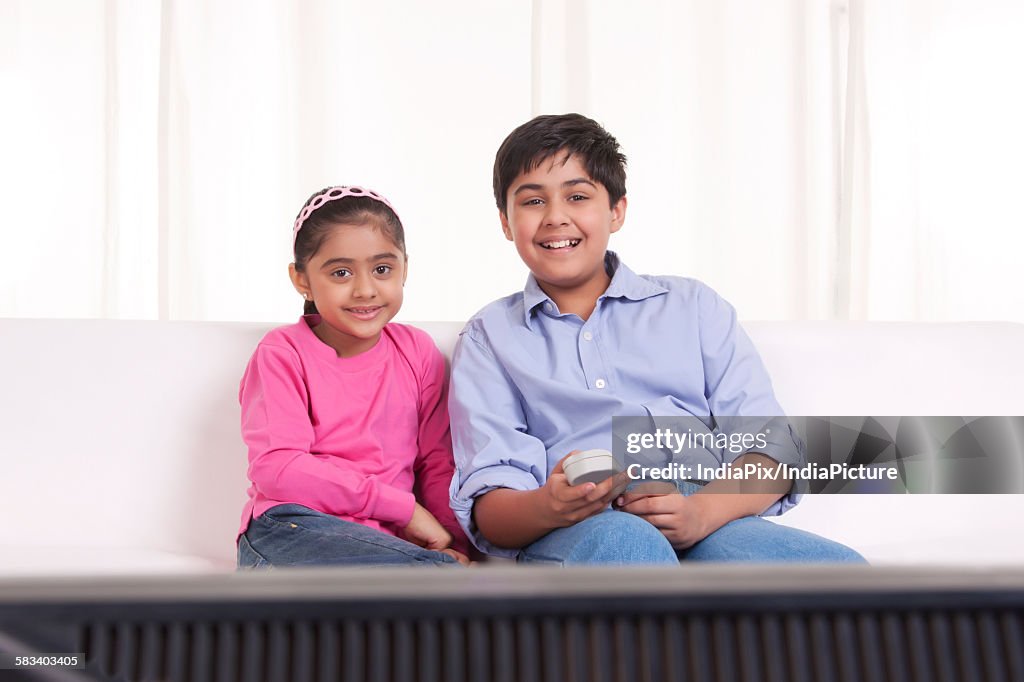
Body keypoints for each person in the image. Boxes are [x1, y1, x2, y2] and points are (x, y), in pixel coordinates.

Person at [448, 114, 865, 565]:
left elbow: (772, 452)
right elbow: (490, 508)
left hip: (711, 511)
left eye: (577, 196)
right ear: (506, 223)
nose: (555, 217)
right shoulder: (489, 337)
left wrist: (700, 513)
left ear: (617, 211)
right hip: (580, 527)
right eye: (532, 201)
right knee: (630, 547)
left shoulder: (693, 307)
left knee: (843, 577)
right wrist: (548, 505)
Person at [237, 185, 470, 568]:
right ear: (302, 280)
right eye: (341, 272)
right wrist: (405, 510)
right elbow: (279, 470)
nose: (365, 290)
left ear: (405, 269)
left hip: (388, 551)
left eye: (382, 269)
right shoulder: (282, 353)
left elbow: (437, 461)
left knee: (439, 578)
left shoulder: (416, 352)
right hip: (291, 532)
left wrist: (451, 541)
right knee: (438, 584)